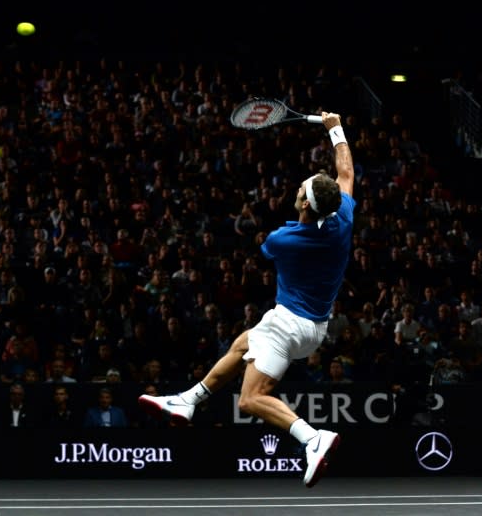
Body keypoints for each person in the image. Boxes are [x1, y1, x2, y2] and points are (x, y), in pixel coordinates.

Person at [139, 111, 354, 488]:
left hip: (288, 324)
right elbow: (347, 174)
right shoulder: (343, 218)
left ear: (305, 205)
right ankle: (189, 399)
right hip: (315, 327)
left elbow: (268, 245)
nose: (299, 187)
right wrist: (334, 127)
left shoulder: (283, 242)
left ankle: (312, 438)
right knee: (242, 343)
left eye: (303, 188)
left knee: (251, 399)